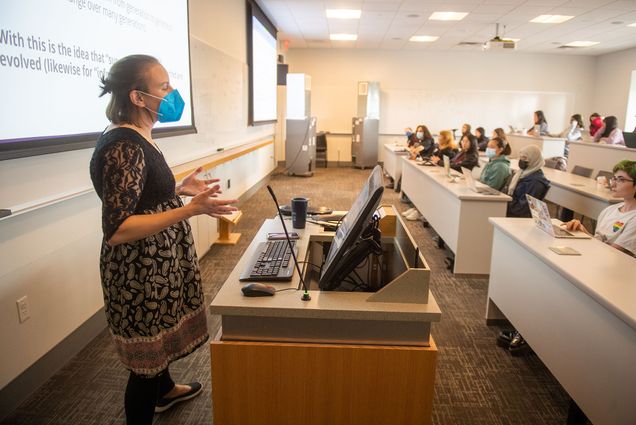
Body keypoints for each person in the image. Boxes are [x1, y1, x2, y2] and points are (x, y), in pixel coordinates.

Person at [89, 55, 238, 425]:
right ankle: (147, 403)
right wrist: (189, 210)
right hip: (140, 271)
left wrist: (178, 188)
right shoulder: (123, 147)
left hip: (158, 262)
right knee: (144, 362)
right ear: (138, 98)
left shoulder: (139, 135)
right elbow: (119, 228)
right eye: (164, 87)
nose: (172, 93)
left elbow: (143, 193)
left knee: (159, 343)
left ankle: (165, 390)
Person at [565, 160, 636, 257]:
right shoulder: (610, 210)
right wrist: (583, 232)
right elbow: (598, 242)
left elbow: (613, 254)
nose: (613, 184)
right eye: (614, 179)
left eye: (621, 180)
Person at [506, 145, 550, 217]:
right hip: (511, 208)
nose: (521, 160)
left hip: (517, 216)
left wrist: (505, 204)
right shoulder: (522, 173)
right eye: (521, 157)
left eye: (524, 158)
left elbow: (523, 209)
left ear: (534, 159)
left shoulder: (535, 182)